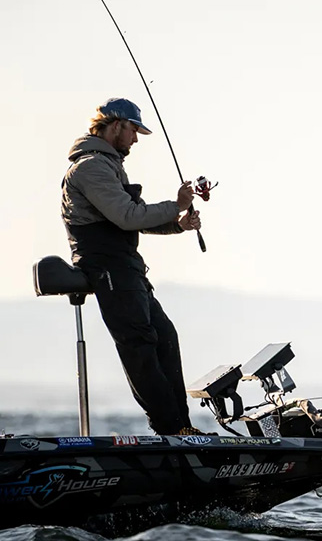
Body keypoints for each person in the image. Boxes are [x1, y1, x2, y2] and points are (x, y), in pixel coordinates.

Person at [61, 97, 208, 436]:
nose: (136, 139)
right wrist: (176, 205)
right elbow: (127, 217)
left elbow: (132, 217)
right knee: (139, 345)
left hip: (127, 268)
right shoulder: (91, 167)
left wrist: (179, 223)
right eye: (133, 131)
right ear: (115, 125)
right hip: (107, 269)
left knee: (165, 337)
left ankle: (182, 428)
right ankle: (170, 429)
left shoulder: (108, 165)